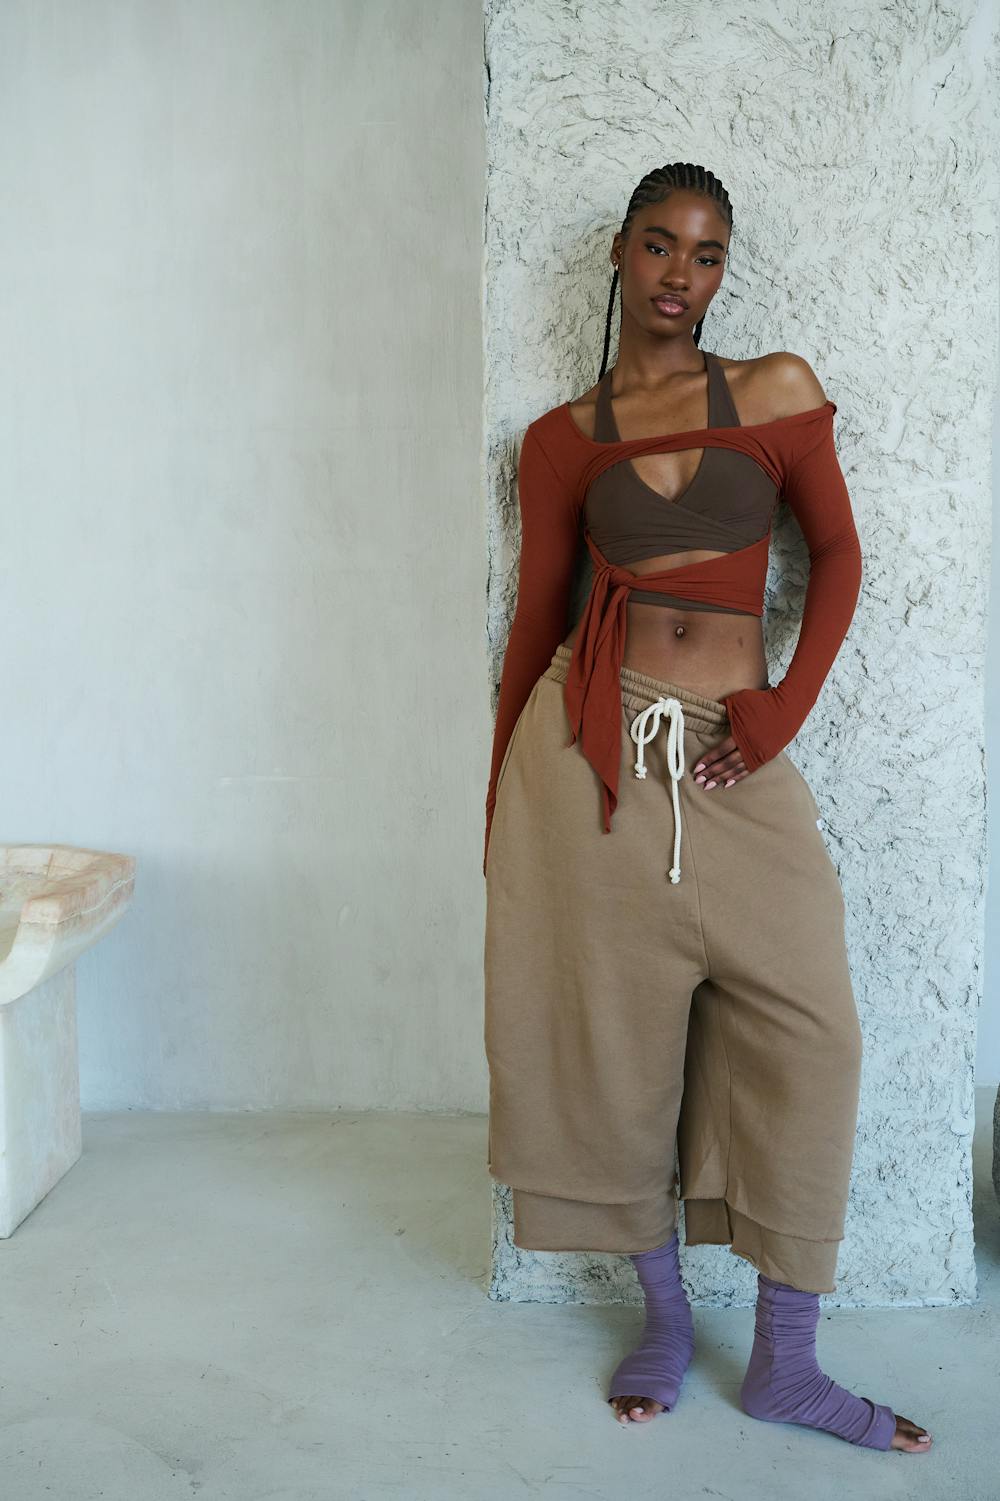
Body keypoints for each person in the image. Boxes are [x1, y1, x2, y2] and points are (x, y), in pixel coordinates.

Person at [482, 162, 932, 1454]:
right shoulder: (562, 439)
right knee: (612, 1046)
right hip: (592, 763)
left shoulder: (776, 389)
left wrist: (782, 709)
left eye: (708, 253)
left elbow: (837, 552)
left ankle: (788, 1362)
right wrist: (497, 806)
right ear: (620, 253)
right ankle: (667, 1322)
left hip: (736, 756)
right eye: (660, 244)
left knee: (812, 1030)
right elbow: (539, 616)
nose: (681, 274)